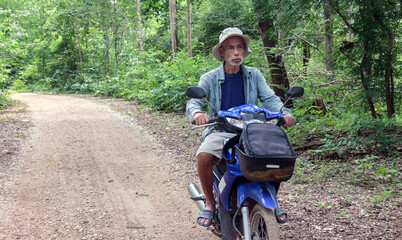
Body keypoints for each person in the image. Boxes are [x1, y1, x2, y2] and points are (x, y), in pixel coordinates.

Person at [186, 27, 296, 227]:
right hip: (221, 131)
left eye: (239, 47)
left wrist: (285, 114)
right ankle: (210, 204)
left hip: (252, 132)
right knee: (203, 155)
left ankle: (271, 199)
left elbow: (271, 99)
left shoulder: (254, 75)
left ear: (244, 51)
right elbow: (194, 103)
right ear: (222, 52)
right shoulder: (210, 78)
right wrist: (197, 114)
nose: (236, 52)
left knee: (276, 156)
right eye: (230, 48)